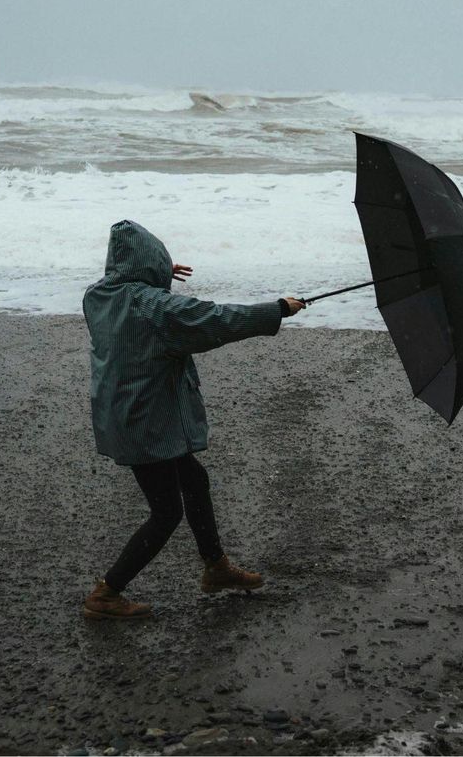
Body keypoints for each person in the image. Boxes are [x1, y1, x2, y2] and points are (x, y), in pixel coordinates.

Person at [81, 219, 306, 619]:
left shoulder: (98, 296)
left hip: (124, 413)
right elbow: (215, 319)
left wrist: (155, 273)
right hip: (146, 423)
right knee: (166, 512)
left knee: (194, 479)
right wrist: (276, 310)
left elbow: (132, 289)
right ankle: (107, 592)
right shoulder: (154, 306)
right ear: (149, 264)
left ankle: (216, 568)